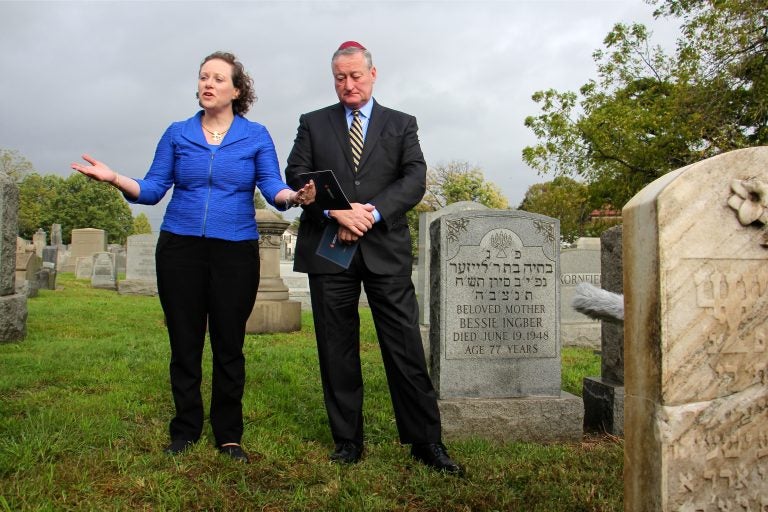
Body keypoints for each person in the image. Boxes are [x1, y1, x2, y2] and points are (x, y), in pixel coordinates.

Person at [72, 51, 315, 463]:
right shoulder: (177, 133)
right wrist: (115, 178)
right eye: (204, 77)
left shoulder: (255, 136)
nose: (208, 84)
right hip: (180, 248)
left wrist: (293, 196)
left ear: (237, 90)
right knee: (184, 343)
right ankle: (185, 429)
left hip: (235, 250)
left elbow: (273, 184)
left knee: (228, 344)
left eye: (219, 79)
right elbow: (151, 190)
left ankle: (229, 435)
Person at [285, 41, 462, 475]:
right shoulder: (313, 123)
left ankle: (426, 442)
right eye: (340, 78)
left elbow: (415, 177)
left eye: (355, 76)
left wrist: (371, 212)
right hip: (330, 252)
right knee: (336, 347)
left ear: (373, 74)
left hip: (385, 250)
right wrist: (335, 210)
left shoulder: (402, 124)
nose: (348, 84)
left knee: (404, 347)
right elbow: (296, 175)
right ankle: (348, 441)